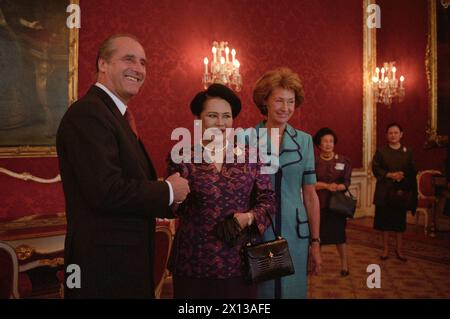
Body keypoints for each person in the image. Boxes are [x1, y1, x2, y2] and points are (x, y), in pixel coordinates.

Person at [56, 34, 190, 298]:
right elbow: (106, 191)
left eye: (143, 63)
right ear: (102, 64)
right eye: (129, 59)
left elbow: (131, 182)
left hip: (124, 262)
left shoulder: (116, 115)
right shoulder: (88, 113)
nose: (139, 69)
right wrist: (168, 191)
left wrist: (171, 201)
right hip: (103, 268)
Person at [167, 83, 276, 299]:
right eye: (213, 116)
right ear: (198, 119)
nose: (221, 123)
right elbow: (172, 208)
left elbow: (268, 200)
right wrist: (171, 195)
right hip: (193, 259)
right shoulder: (182, 156)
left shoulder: (251, 156)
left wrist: (249, 217)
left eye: (226, 116)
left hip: (238, 260)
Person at [250, 67, 322, 299]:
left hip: (296, 232)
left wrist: (316, 242)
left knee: (292, 291)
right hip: (260, 231)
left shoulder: (305, 141)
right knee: (263, 293)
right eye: (279, 100)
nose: (285, 107)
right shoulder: (245, 139)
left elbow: (310, 195)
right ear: (265, 102)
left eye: (290, 101)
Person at [372, 122, 417, 262]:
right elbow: (375, 168)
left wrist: (402, 174)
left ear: (401, 135)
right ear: (386, 135)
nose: (393, 135)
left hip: (400, 193)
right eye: (390, 133)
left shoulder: (407, 151)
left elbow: (412, 169)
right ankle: (385, 249)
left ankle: (399, 250)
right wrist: (390, 175)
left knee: (399, 223)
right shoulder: (381, 151)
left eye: (396, 133)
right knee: (384, 223)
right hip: (384, 192)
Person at [313, 127, 352, 277]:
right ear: (319, 144)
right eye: (325, 141)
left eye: (331, 141)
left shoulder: (343, 160)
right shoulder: (314, 161)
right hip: (319, 204)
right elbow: (310, 183)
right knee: (318, 235)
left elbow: (347, 182)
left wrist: (339, 186)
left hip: (337, 205)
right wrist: (326, 186)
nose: (328, 144)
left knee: (339, 236)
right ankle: (317, 264)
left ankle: (344, 265)